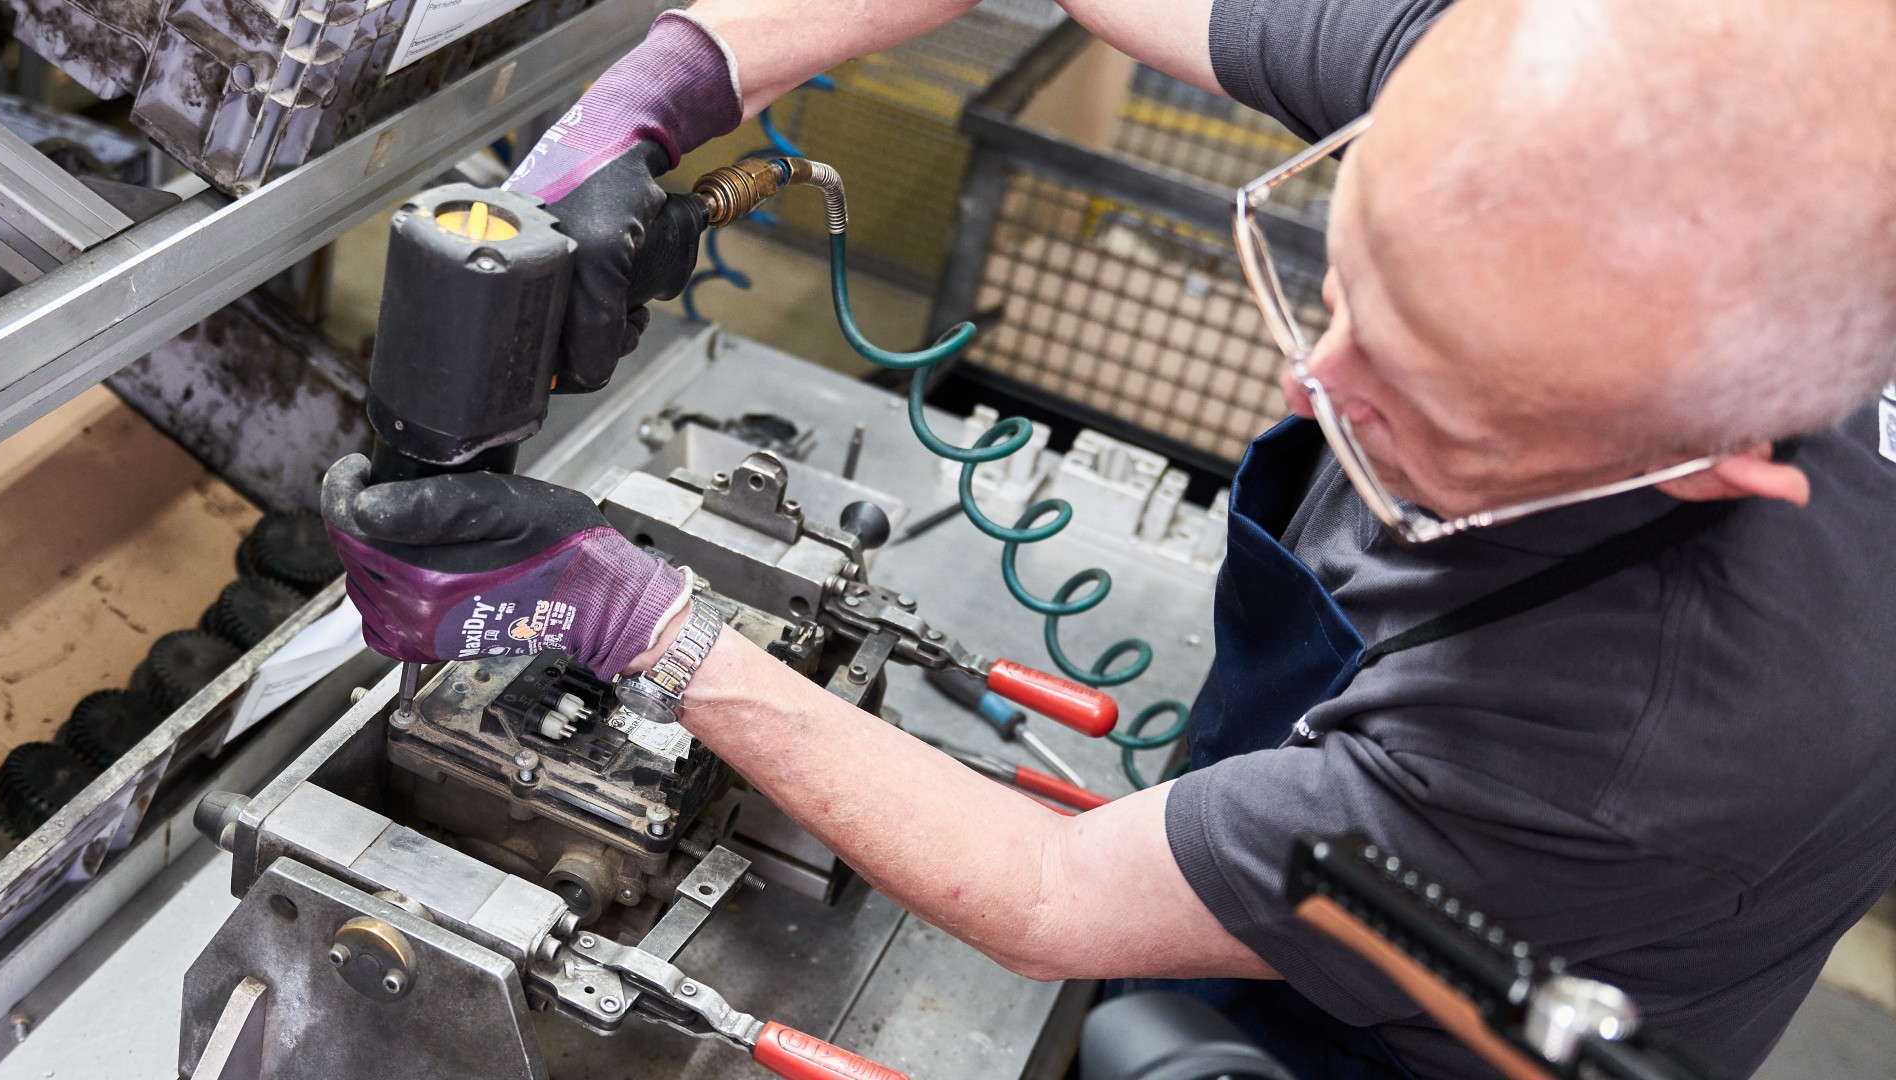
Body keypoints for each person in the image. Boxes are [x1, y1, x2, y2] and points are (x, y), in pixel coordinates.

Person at [321, 1, 1896, 1077]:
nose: (1314, 378)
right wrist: (674, 79)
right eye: (1343, 284)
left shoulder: (1644, 755)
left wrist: (631, 620)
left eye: (1434, 403)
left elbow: (1058, 892)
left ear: (1714, 469)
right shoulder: (1585, 107)